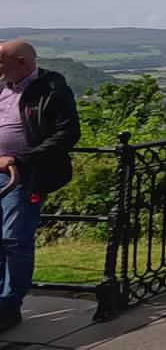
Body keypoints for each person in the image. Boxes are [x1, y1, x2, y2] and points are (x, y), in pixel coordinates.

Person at [0, 40, 80, 330]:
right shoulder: (2, 88)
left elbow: (67, 134)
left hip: (23, 174)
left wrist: (21, 159)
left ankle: (9, 305)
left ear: (21, 61)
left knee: (14, 239)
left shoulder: (51, 90)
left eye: (1, 62)